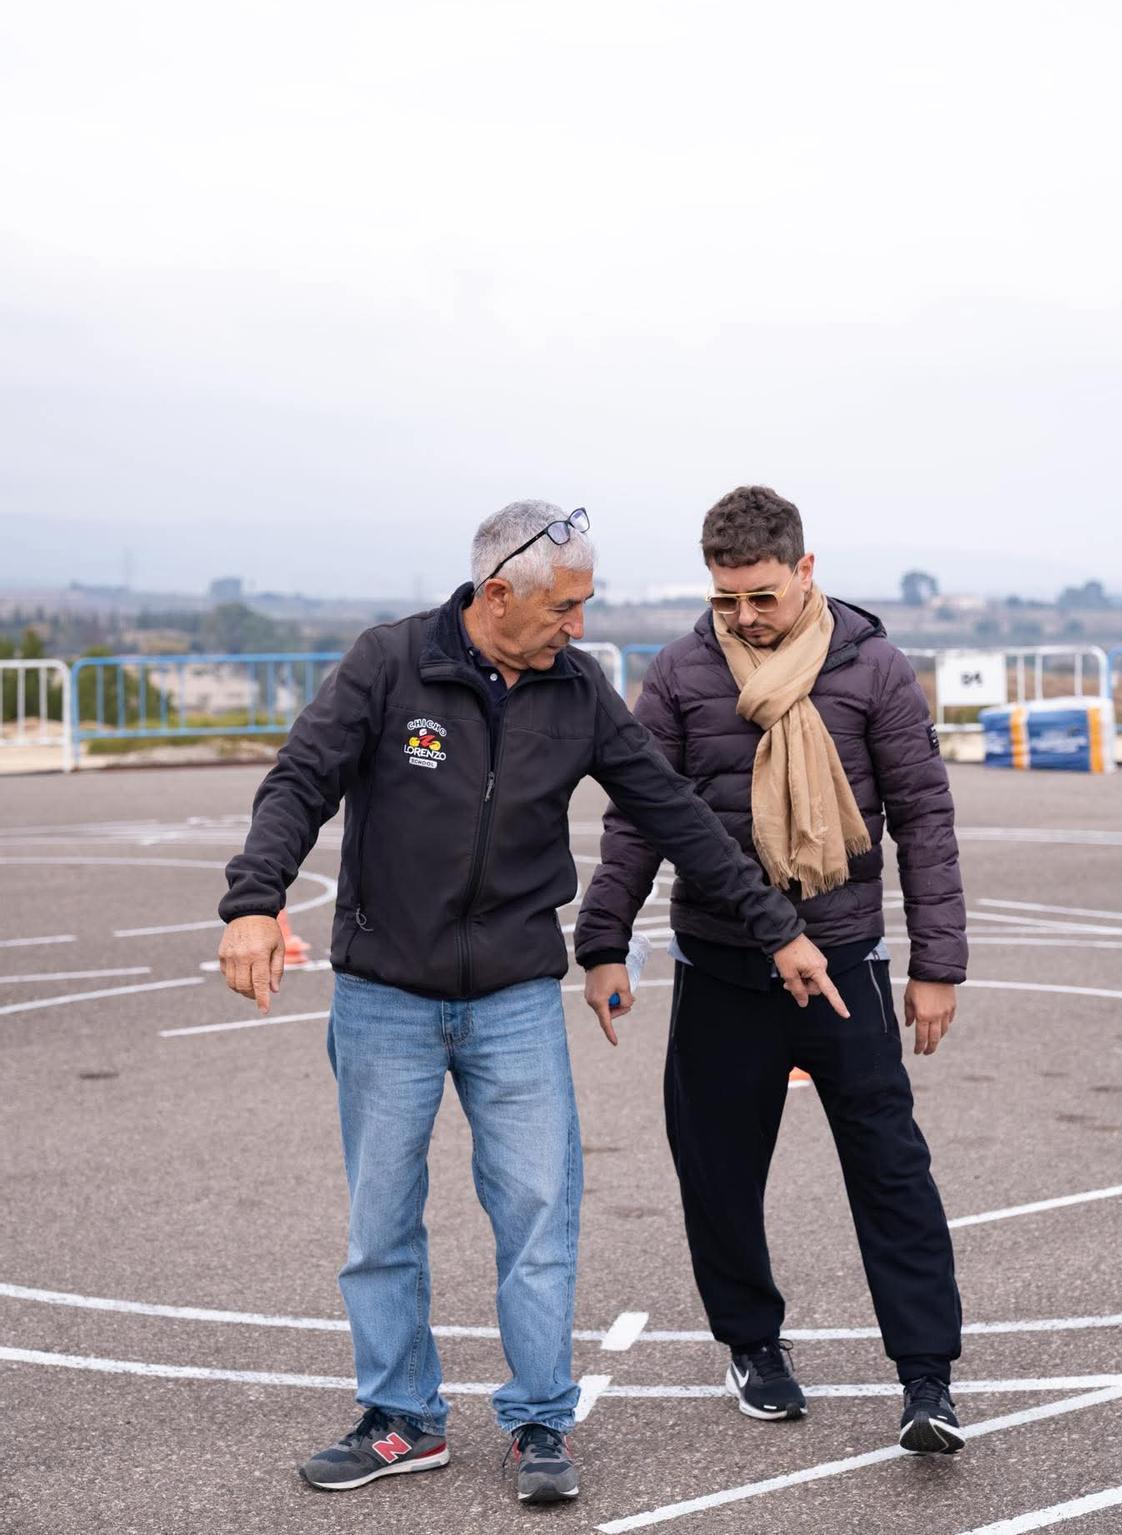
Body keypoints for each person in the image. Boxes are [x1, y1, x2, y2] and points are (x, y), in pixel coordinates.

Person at [217, 499, 845, 1507]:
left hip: (512, 998)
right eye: (565, 606)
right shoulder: (389, 665)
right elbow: (299, 782)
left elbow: (673, 812)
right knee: (381, 1223)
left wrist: (778, 930)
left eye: (585, 607)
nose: (579, 626)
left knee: (540, 1217)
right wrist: (255, 902)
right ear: (498, 593)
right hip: (386, 996)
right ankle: (402, 1419)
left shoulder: (578, 690)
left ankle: (540, 1423)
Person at [575, 485, 968, 1455]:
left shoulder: (873, 670)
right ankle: (753, 1345)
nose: (744, 617)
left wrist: (938, 965)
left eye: (760, 596)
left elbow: (924, 819)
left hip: (845, 965)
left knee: (893, 1176)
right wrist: (605, 940)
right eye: (725, 600)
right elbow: (639, 818)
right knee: (716, 1174)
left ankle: (928, 1378)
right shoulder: (677, 676)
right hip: (719, 967)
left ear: (805, 571)